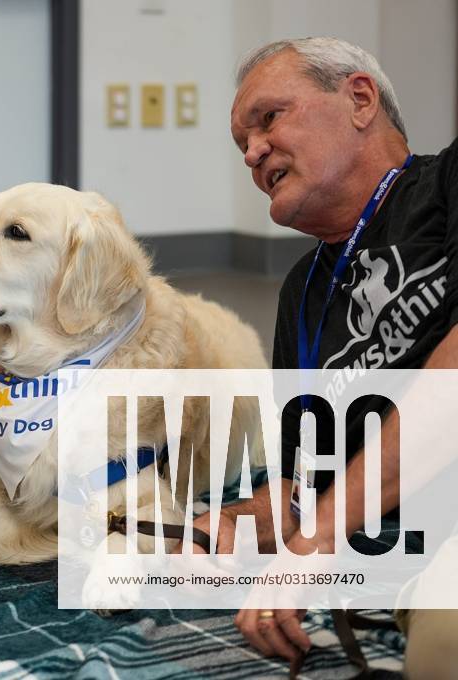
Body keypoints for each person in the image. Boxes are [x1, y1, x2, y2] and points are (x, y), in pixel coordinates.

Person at [194, 36, 458, 676]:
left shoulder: (447, 183)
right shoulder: (302, 292)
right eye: (243, 147)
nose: (254, 152)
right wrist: (225, 527)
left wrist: (316, 539)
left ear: (360, 98)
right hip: (408, 549)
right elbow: (299, 481)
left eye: (269, 118)